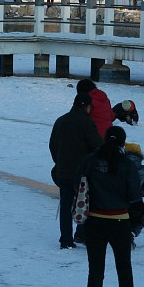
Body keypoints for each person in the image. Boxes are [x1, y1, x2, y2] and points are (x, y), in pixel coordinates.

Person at [76, 126, 141, 287]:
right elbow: (134, 195)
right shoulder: (127, 164)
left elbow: (77, 183)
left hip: (94, 221)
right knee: (124, 268)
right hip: (120, 221)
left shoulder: (90, 160)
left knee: (95, 272)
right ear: (123, 143)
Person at [49, 93, 102, 249]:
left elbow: (53, 145)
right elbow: (97, 146)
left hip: (63, 171)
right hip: (82, 172)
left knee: (65, 206)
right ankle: (81, 233)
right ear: (86, 106)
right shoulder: (87, 123)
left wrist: (59, 162)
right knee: (86, 203)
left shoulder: (61, 120)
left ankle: (65, 240)